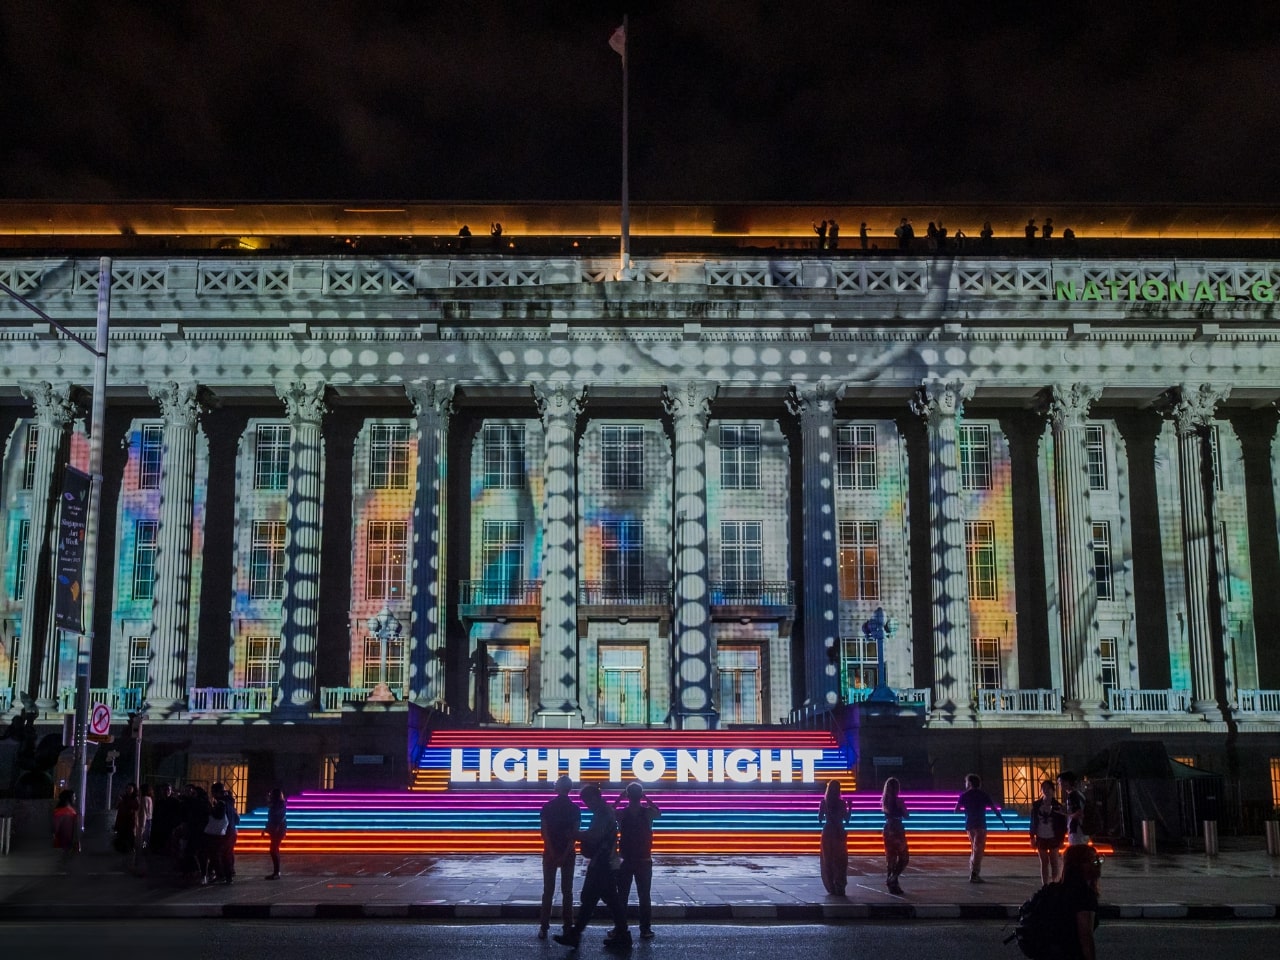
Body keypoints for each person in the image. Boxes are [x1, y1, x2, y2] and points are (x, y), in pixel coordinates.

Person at [553, 782, 631, 950]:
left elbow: (595, 836)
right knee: (601, 900)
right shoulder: (603, 811)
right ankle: (621, 935)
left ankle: (578, 935)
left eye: (587, 801)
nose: (586, 805)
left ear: (595, 798)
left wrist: (575, 834)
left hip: (603, 863)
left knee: (594, 899)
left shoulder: (602, 814)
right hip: (604, 863)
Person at [616, 782, 661, 939]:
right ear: (640, 795)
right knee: (644, 896)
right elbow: (659, 812)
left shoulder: (622, 814)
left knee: (622, 896)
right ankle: (645, 929)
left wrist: (619, 798)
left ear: (628, 796)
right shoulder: (647, 813)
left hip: (626, 859)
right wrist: (647, 799)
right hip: (644, 859)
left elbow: (610, 812)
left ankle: (620, 928)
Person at [539, 775, 581, 938]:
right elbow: (574, 835)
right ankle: (567, 925)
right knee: (567, 891)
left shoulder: (548, 807)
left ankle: (544, 926)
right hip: (568, 854)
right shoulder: (575, 809)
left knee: (548, 891)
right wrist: (564, 854)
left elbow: (545, 833)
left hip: (550, 853)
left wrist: (552, 852)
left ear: (557, 788)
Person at [1045, 843, 1102, 960]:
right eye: (1093, 861)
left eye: (1098, 860)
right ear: (1079, 865)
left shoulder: (1054, 889)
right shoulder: (1083, 894)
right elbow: (1085, 937)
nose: (1098, 864)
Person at [955, 773, 1008, 883]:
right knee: (979, 849)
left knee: (974, 848)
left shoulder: (964, 795)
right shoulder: (983, 794)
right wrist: (1003, 821)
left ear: (969, 783)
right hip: (980, 824)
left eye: (966, 782)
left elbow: (956, 810)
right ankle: (974, 873)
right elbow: (994, 809)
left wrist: (967, 810)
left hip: (970, 824)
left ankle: (973, 871)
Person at [1031, 779, 1068, 885]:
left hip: (1054, 837)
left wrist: (1061, 839)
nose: (1046, 791)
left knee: (1054, 862)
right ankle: (1045, 885)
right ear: (1041, 790)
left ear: (1053, 790)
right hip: (1041, 836)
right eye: (1044, 788)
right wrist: (1032, 837)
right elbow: (1033, 822)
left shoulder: (1057, 806)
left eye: (1048, 788)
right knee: (1044, 862)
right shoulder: (1037, 805)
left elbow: (1062, 825)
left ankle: (1054, 884)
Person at [817, 779, 850, 895]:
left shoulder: (823, 802)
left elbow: (820, 819)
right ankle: (840, 885)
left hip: (828, 832)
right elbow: (847, 820)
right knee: (840, 860)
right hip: (839, 832)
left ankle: (830, 886)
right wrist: (850, 808)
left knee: (828, 860)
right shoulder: (842, 803)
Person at [881, 777, 909, 895]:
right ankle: (892, 878)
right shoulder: (899, 801)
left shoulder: (884, 801)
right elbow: (906, 815)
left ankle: (893, 885)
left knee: (891, 858)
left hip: (888, 828)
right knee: (904, 857)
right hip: (897, 828)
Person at [263, 787, 287, 879]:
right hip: (277, 829)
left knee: (274, 849)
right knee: (274, 849)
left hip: (277, 830)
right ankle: (276, 872)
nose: (269, 796)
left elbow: (277, 817)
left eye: (271, 794)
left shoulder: (279, 805)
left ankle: (276, 872)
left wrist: (273, 827)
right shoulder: (278, 804)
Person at [1059, 771, 1087, 846]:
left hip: (1076, 829)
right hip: (1082, 829)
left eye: (1060, 781)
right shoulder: (1079, 793)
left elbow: (1079, 813)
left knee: (1076, 851)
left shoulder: (1072, 795)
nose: (1059, 784)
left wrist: (1064, 813)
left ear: (1067, 782)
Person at [52, 789, 79, 861]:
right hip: (64, 845)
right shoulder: (65, 812)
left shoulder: (62, 811)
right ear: (69, 798)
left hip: (66, 845)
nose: (75, 798)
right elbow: (55, 829)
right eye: (74, 796)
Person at [113, 783, 140, 854]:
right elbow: (117, 806)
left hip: (130, 819)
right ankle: (121, 849)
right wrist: (119, 801)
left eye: (130, 789)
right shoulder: (123, 797)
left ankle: (130, 848)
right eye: (128, 788)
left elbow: (136, 807)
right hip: (122, 819)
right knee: (122, 834)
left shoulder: (135, 798)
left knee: (130, 834)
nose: (129, 790)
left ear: (133, 790)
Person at [138, 784, 154, 850]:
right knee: (147, 836)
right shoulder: (150, 798)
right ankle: (145, 847)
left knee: (143, 836)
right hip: (149, 819)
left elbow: (144, 811)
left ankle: (143, 848)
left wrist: (142, 824)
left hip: (145, 820)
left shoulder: (144, 798)